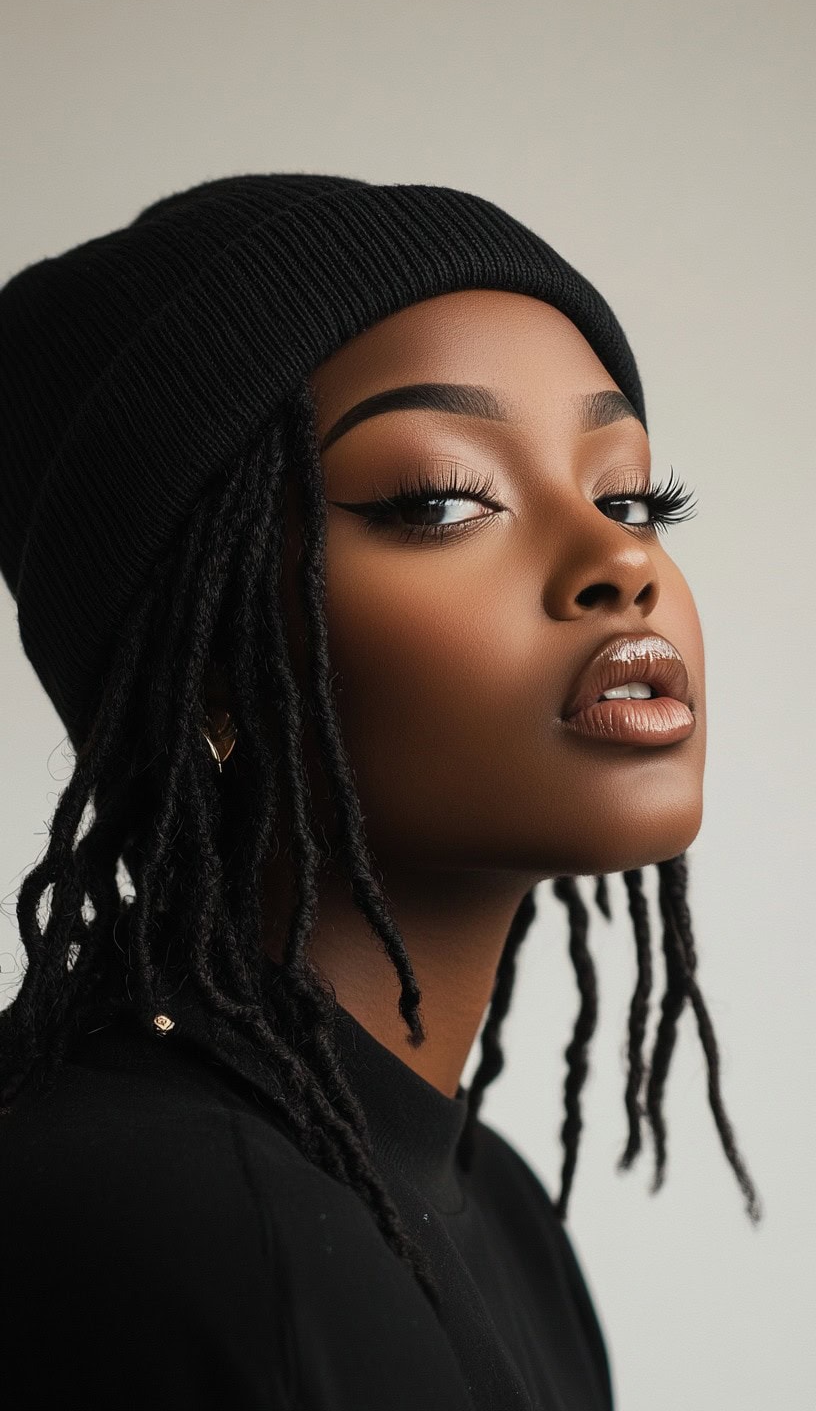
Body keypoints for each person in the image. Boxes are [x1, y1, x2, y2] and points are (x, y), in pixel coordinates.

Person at [0, 174, 762, 1410]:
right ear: (210, 671)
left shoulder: (497, 1205)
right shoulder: (175, 1227)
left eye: (630, 496)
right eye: (443, 499)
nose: (621, 559)